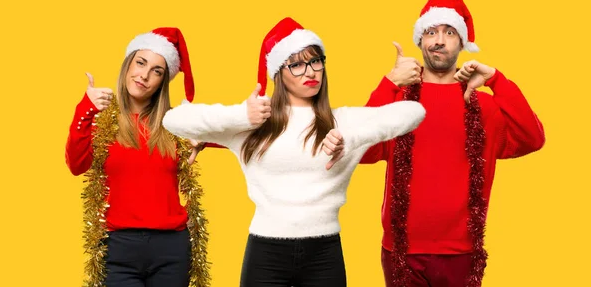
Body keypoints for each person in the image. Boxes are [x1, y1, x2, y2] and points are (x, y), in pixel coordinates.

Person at [162, 17, 426, 287]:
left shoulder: (342, 122)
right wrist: (242, 115)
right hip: (265, 253)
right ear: (279, 72)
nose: (310, 72)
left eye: (315, 61)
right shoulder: (253, 125)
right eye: (297, 65)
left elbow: (414, 112)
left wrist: (349, 139)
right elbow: (174, 120)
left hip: (324, 254)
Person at [357, 0, 546, 287]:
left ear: (462, 42)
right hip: (402, 252)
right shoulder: (398, 100)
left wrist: (496, 79)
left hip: (463, 254)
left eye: (449, 32)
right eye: (431, 31)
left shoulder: (482, 105)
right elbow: (361, 149)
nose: (439, 40)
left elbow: (532, 137)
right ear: (420, 40)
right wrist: (389, 83)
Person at [65, 27, 211, 287]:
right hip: (118, 248)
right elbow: (77, 165)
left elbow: (160, 177)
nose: (144, 76)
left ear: (162, 82)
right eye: (141, 63)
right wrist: (84, 109)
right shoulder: (102, 119)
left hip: (171, 248)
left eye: (157, 71)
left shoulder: (174, 124)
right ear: (128, 64)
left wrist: (196, 147)